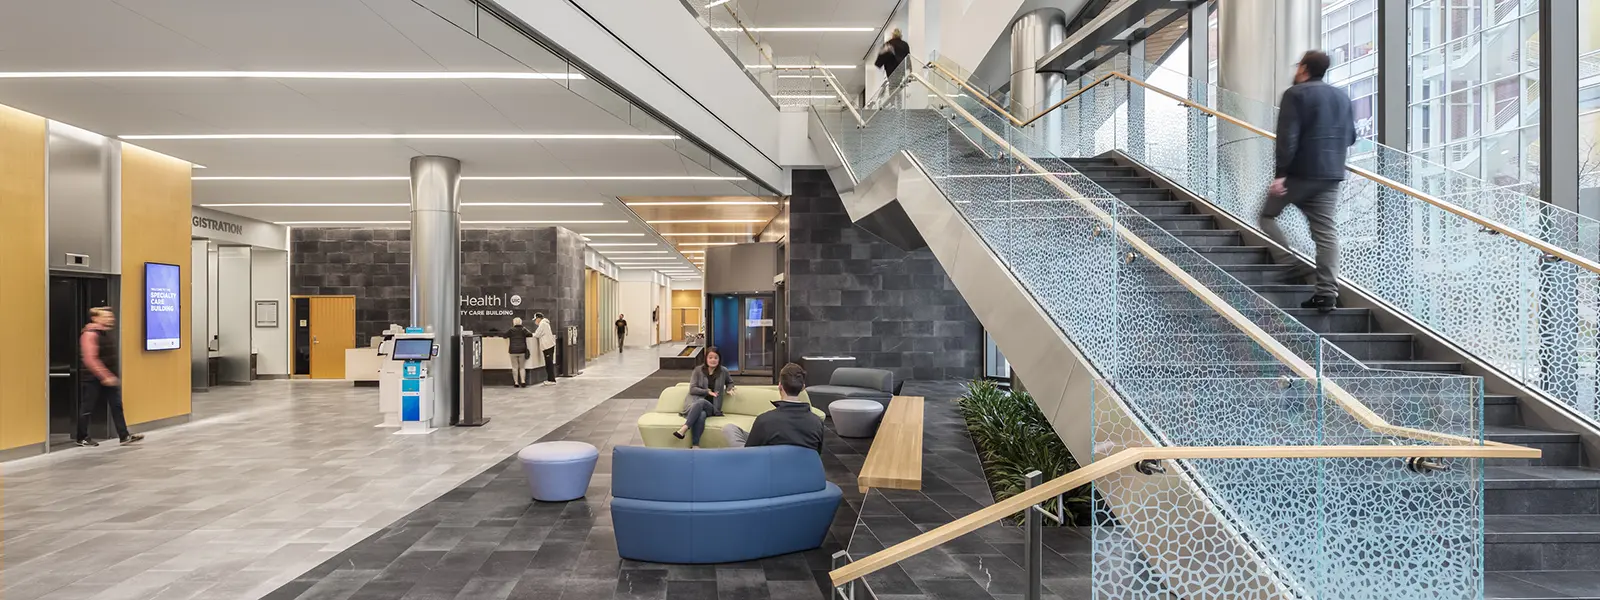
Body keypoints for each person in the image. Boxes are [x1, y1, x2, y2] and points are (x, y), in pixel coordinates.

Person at [1259, 49, 1356, 313]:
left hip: (1300, 174)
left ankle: (1288, 263)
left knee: (1266, 216)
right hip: (1330, 175)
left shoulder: (1295, 94)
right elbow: (1351, 137)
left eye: (1297, 66)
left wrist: (1280, 175)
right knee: (1326, 233)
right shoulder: (1341, 97)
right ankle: (1326, 293)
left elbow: (1287, 138)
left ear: (1303, 68)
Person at [76, 307, 143, 447]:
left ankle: (124, 435)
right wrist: (104, 375)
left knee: (117, 405)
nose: (110, 319)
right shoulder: (90, 334)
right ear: (95, 318)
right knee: (87, 406)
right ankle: (81, 437)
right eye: (106, 317)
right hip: (93, 377)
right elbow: (90, 359)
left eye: (110, 316)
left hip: (108, 376)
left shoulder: (105, 334)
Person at [722, 363, 823, 453]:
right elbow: (817, 454)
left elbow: (751, 454)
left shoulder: (765, 420)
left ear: (779, 386)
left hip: (769, 468)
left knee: (729, 429)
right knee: (732, 429)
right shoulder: (817, 422)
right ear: (803, 388)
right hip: (803, 470)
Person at [673, 346, 733, 448]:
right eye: (710, 357)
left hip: (713, 407)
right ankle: (695, 445)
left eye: (716, 358)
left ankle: (684, 429)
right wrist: (707, 392)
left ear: (719, 359)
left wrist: (729, 389)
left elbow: (730, 382)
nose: (713, 360)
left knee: (702, 403)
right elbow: (692, 389)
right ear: (706, 359)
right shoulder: (698, 370)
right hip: (694, 404)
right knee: (701, 414)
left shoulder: (723, 371)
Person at [504, 317, 534, 388]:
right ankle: (523, 381)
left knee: (514, 367)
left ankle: (516, 383)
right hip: (522, 350)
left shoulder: (511, 330)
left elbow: (504, 336)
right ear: (521, 323)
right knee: (522, 367)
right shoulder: (523, 329)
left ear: (514, 322)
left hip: (513, 351)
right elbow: (530, 334)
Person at [533, 313, 557, 386]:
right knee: (549, 363)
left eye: (535, 320)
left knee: (549, 364)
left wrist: (531, 334)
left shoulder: (543, 324)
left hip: (547, 346)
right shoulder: (545, 323)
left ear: (538, 318)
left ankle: (551, 380)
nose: (535, 322)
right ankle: (550, 379)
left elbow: (537, 334)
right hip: (549, 346)